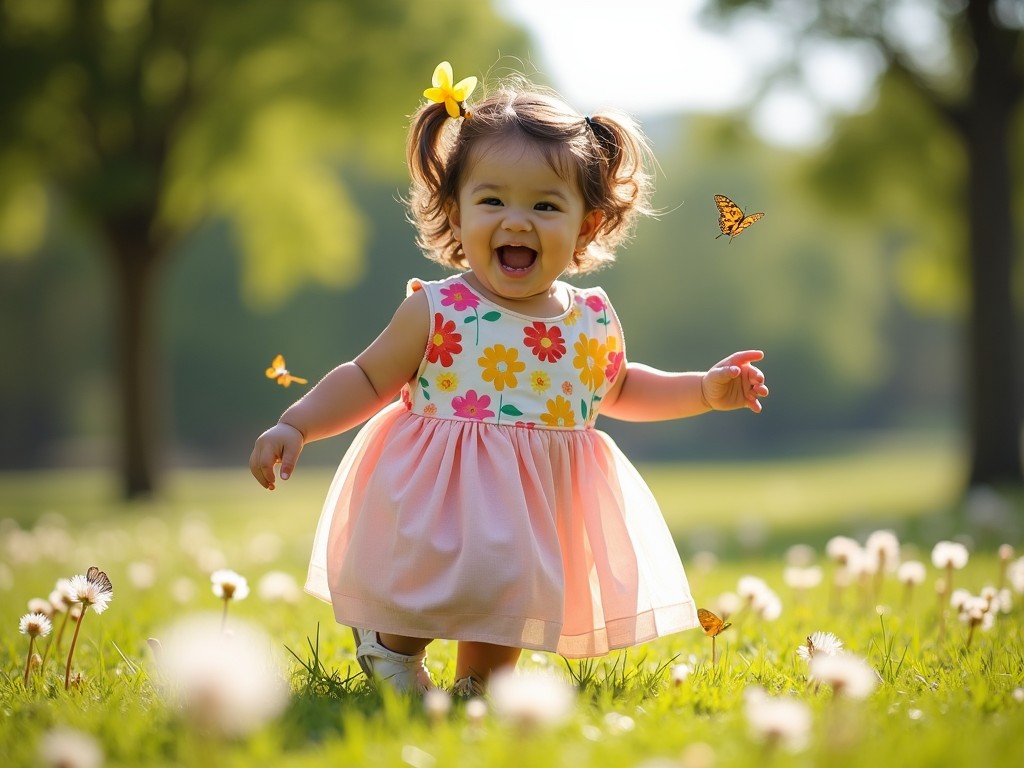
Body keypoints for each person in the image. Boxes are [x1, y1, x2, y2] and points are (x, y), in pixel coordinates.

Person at [249, 61, 769, 696]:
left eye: (545, 205)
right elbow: (365, 377)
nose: (517, 220)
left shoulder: (592, 319)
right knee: (429, 589)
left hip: (535, 505)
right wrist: (296, 422)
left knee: (512, 601)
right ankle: (392, 646)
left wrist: (703, 391)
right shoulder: (438, 309)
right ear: (456, 210)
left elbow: (623, 389)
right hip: (438, 496)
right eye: (492, 199)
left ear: (586, 224)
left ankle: (479, 690)